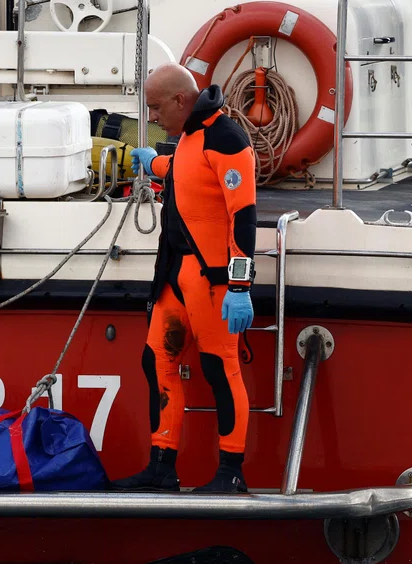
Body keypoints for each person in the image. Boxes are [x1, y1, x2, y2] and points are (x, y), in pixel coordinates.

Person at [112, 63, 257, 493]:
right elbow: (188, 170)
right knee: (156, 361)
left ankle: (231, 473)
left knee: (219, 368)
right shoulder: (192, 138)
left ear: (180, 100)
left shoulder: (227, 139)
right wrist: (155, 163)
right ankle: (161, 467)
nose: (152, 118)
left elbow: (243, 215)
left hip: (213, 282)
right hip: (176, 276)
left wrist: (240, 285)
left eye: (155, 108)